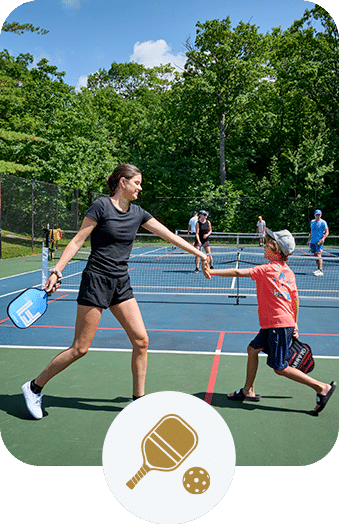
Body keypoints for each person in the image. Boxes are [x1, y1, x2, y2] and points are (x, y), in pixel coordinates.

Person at [21, 164, 208, 420]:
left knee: (141, 341)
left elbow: (169, 236)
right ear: (123, 182)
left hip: (121, 282)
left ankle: (138, 401)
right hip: (96, 280)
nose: (140, 188)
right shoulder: (101, 207)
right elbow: (77, 241)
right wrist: (57, 271)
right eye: (137, 183)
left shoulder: (139, 213)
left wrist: (200, 253)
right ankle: (34, 387)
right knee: (80, 348)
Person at [202, 228, 336, 414]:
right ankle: (248, 390)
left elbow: (238, 272)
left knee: (280, 368)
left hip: (277, 326)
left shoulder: (266, 269)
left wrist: (211, 271)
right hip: (277, 324)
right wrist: (295, 322)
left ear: (276, 251)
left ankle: (321, 387)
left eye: (267, 245)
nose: (263, 247)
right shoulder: (288, 272)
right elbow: (295, 298)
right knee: (252, 349)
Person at [307, 209, 329, 276]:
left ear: (321, 215)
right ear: (314, 215)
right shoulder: (312, 222)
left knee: (319, 254)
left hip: (319, 241)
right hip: (312, 241)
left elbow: (327, 232)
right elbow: (311, 232)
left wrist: (323, 239)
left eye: (319, 215)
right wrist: (309, 240)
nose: (318, 216)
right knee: (315, 255)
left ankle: (321, 270)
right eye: (316, 215)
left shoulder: (323, 222)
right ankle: (318, 269)